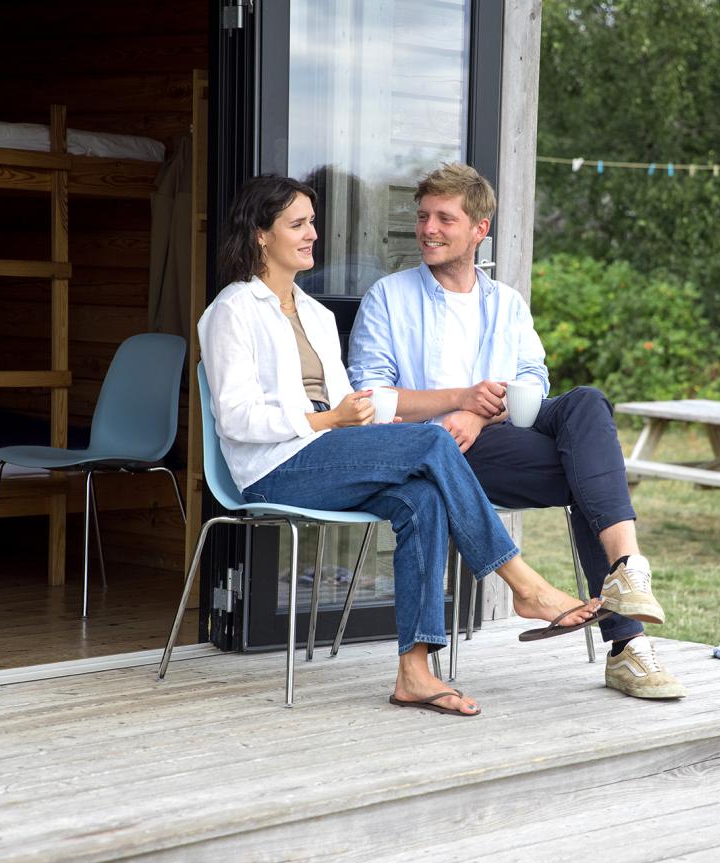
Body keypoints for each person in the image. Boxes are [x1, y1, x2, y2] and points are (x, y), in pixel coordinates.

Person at [198, 174, 604, 717]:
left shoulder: (315, 315)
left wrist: (370, 414)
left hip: (329, 452)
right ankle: (522, 584)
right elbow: (237, 418)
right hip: (273, 466)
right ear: (260, 237)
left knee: (424, 497)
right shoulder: (232, 311)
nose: (313, 234)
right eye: (298, 225)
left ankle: (414, 671)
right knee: (434, 447)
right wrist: (326, 421)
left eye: (313, 222)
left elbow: (361, 404)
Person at [347, 163, 685, 700]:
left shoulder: (505, 302)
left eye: (445, 218)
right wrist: (457, 402)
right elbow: (369, 400)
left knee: (586, 404)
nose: (429, 229)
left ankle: (627, 568)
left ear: (480, 229)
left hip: (499, 432)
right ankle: (628, 647)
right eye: (423, 217)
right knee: (591, 477)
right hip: (436, 451)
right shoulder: (389, 298)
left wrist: (482, 411)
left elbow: (533, 379)